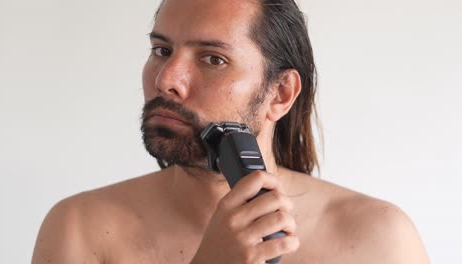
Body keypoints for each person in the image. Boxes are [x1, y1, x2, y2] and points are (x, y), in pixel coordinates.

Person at [32, 0, 430, 263]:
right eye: (162, 50)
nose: (167, 79)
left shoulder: (379, 240)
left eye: (212, 58)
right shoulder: (80, 228)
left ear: (280, 93)